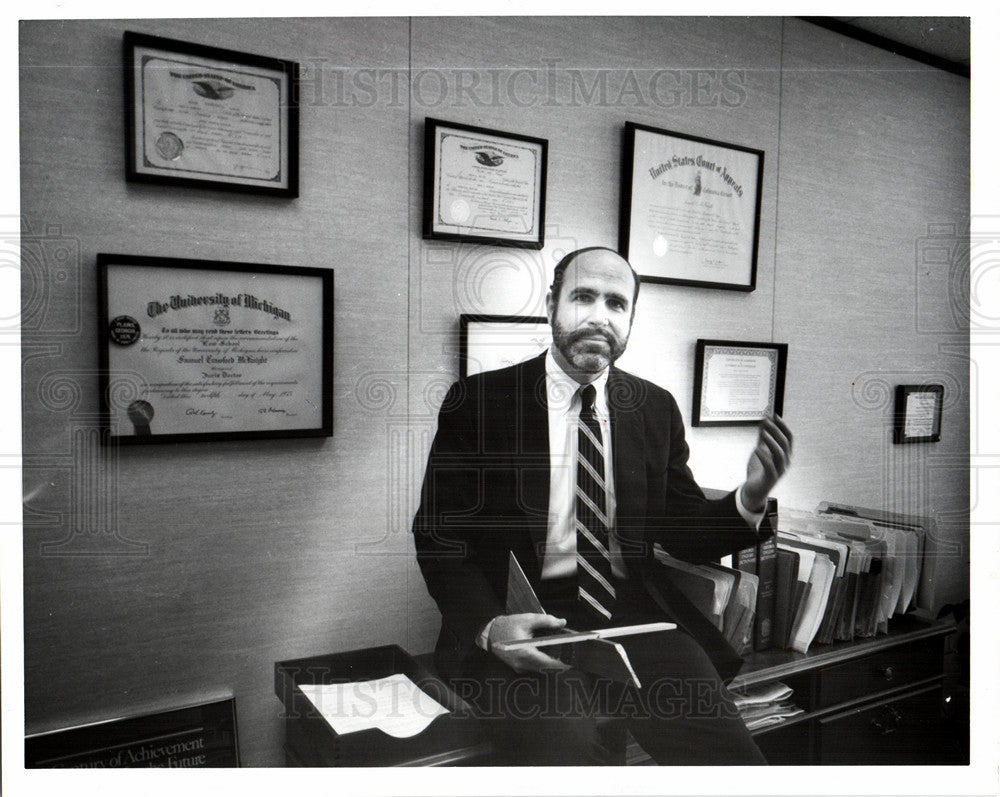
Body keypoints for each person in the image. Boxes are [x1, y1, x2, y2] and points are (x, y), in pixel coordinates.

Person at [412, 247, 793, 765]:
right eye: (583, 297)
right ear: (552, 305)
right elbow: (440, 539)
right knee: (562, 749)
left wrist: (747, 500)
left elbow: (682, 530)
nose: (599, 315)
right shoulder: (478, 403)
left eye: (616, 303)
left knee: (734, 760)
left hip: (633, 621)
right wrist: (489, 626)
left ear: (630, 318)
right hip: (521, 623)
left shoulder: (654, 407)